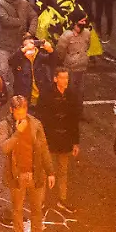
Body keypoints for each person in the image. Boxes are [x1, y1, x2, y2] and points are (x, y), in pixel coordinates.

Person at [0, 94, 55, 232]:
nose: (21, 117)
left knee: (37, 209)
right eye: (18, 113)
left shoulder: (36, 124)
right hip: (17, 176)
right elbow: (4, 148)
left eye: (24, 112)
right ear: (11, 110)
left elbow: (43, 149)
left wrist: (50, 171)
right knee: (17, 210)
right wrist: (17, 133)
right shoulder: (4, 126)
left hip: (36, 174)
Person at [34, 66, 82, 213]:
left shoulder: (72, 95)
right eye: (62, 78)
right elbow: (40, 118)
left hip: (65, 140)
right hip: (49, 139)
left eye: (67, 78)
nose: (65, 81)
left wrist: (75, 142)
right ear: (55, 79)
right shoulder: (46, 95)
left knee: (63, 172)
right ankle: (40, 202)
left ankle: (62, 200)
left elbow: (75, 120)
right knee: (44, 171)